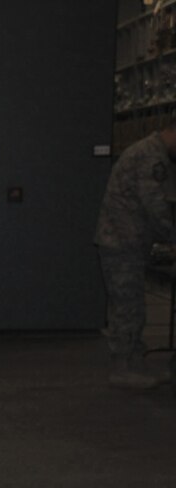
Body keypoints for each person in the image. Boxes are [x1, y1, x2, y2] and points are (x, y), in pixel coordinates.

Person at [94, 122, 176, 388]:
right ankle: (122, 368)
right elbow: (154, 203)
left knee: (132, 305)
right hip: (122, 242)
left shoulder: (149, 152)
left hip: (125, 241)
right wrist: (172, 236)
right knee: (128, 307)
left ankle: (134, 363)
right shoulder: (150, 156)